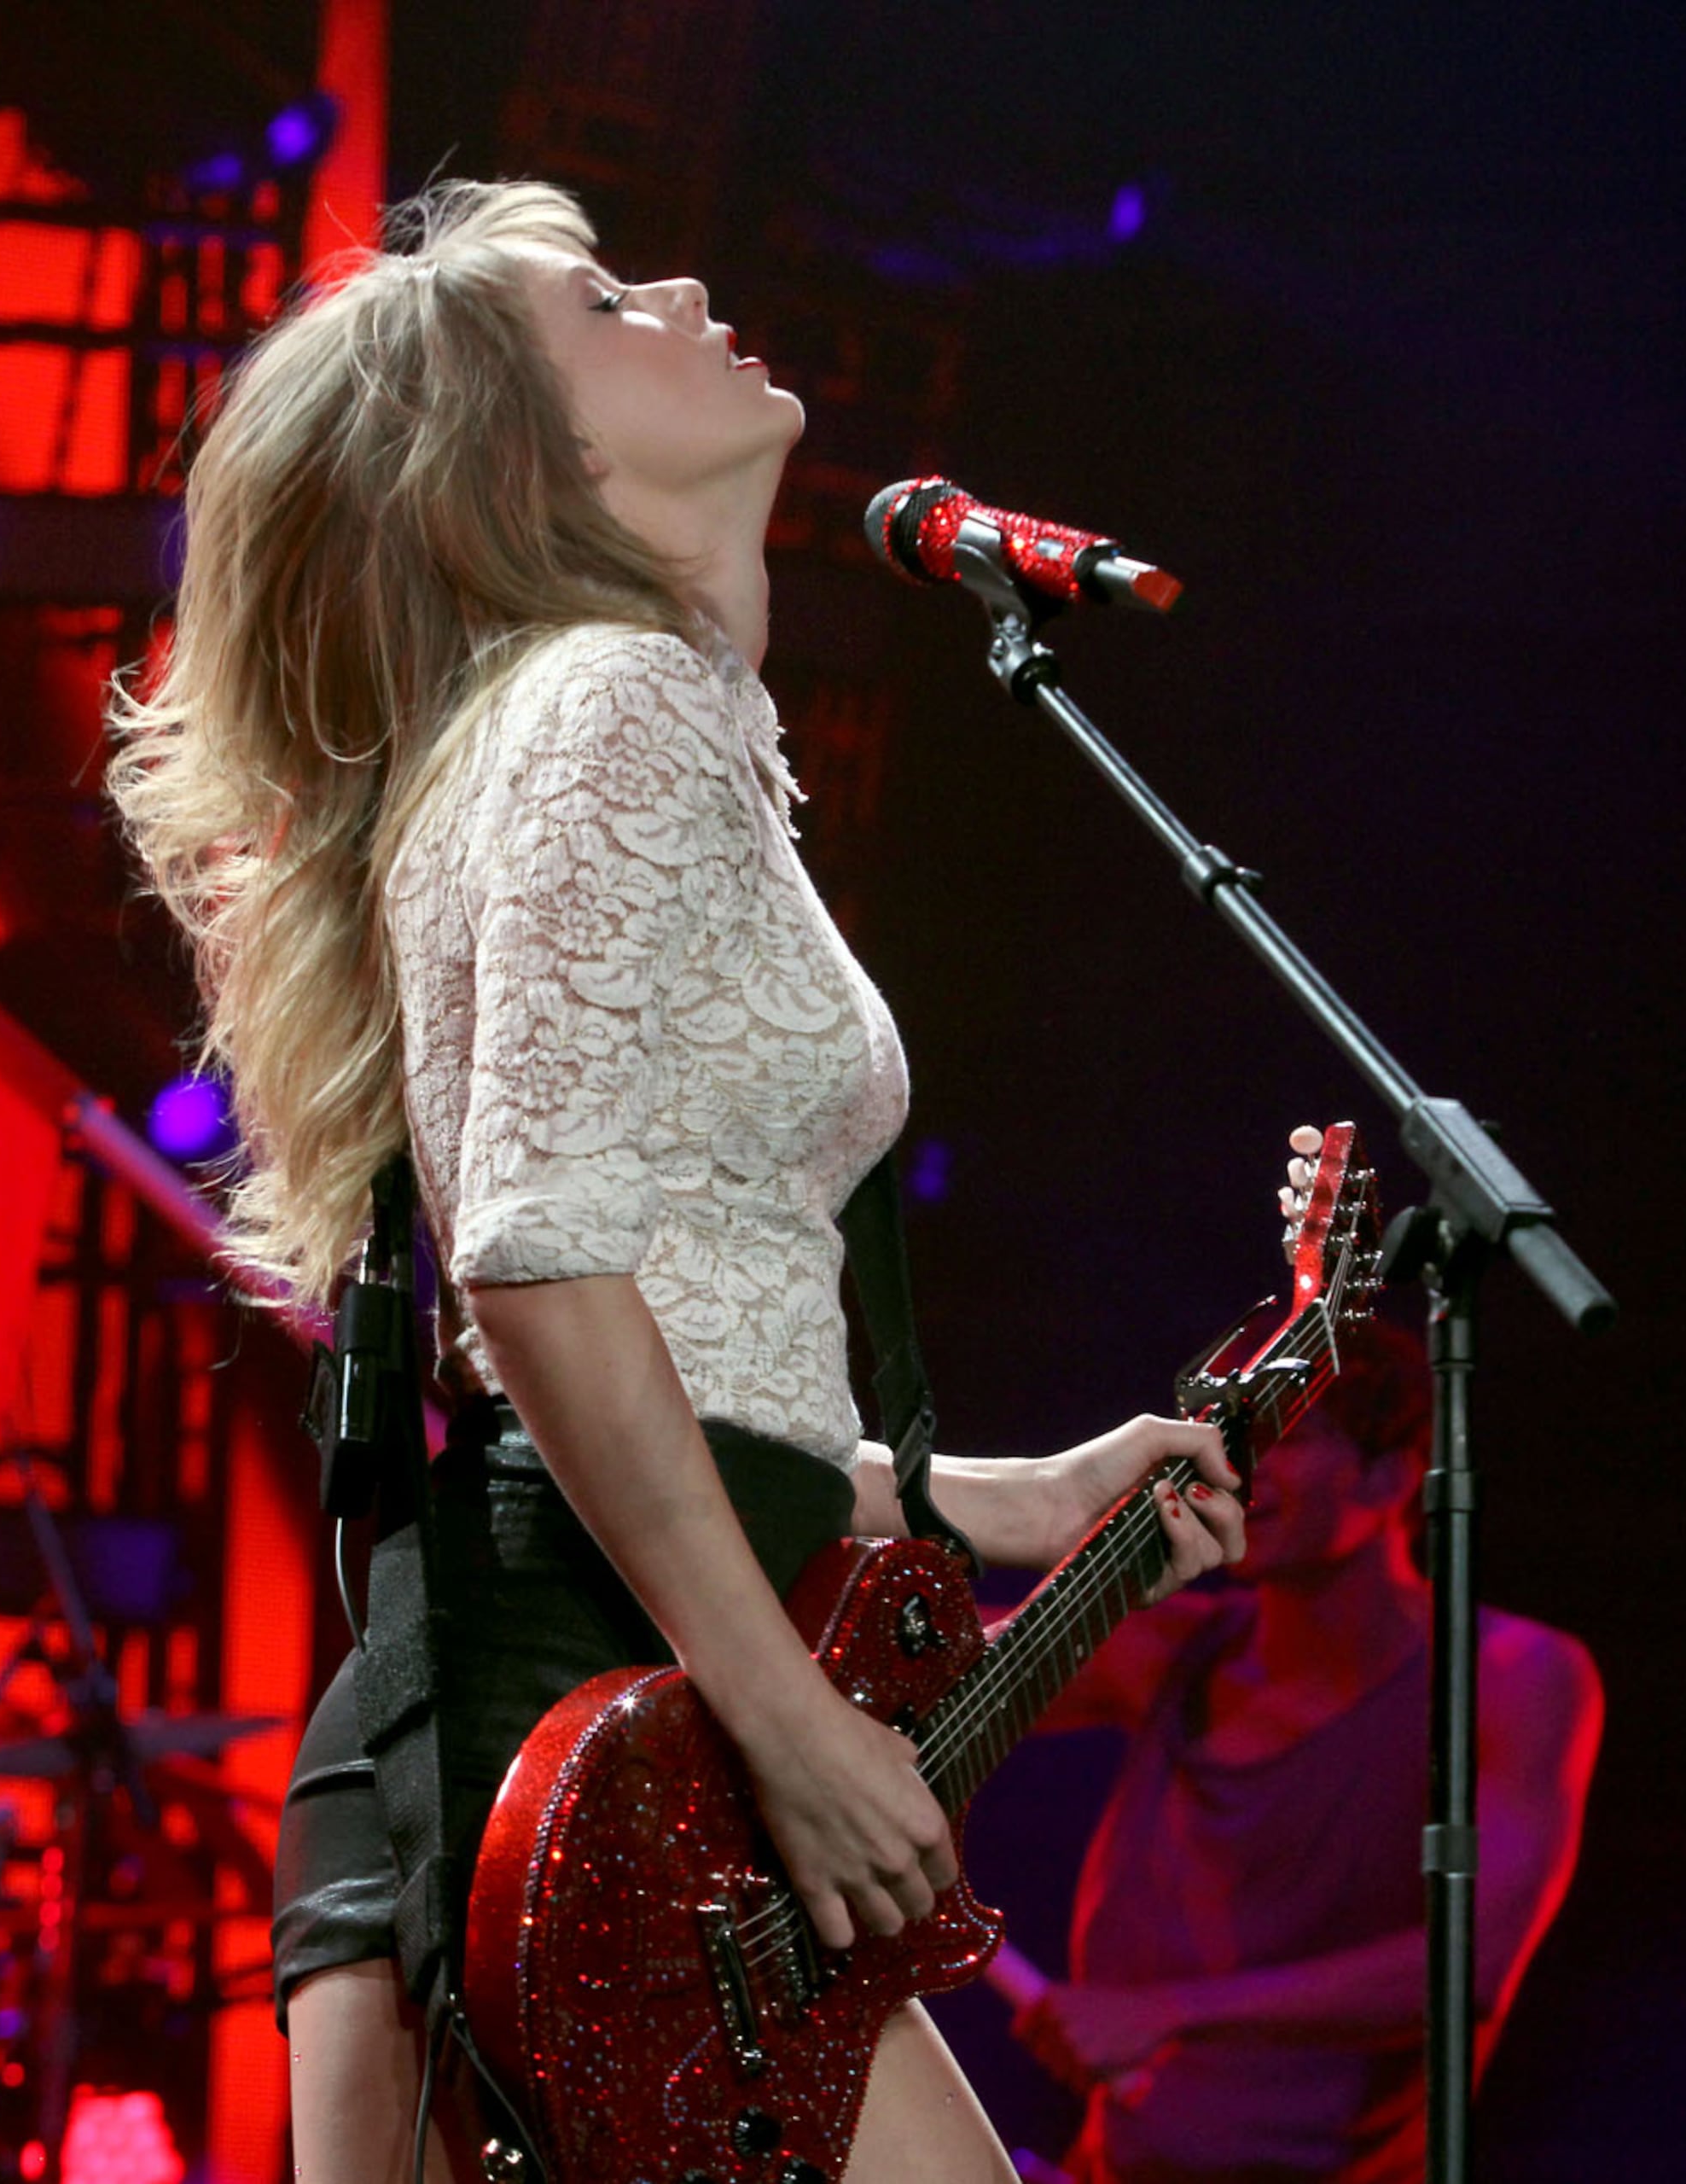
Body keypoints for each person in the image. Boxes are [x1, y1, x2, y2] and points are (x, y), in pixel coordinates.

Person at [107, 179, 1249, 2184]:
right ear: (528, 455)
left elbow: (674, 1351)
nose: (698, 285)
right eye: (614, 300)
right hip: (591, 1734)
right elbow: (540, 1269)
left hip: (533, 1712)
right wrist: (799, 1729)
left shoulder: (603, 719)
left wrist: (1004, 1499)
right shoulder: (600, 706)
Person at [1008, 1307, 1603, 2184]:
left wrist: (1170, 2011)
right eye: (1235, 1438)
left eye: (1287, 1436)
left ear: (1389, 1476)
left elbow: (1471, 1961)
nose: (1241, 1470)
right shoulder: (1171, 1651)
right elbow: (917, 1670)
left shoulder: (1514, 1674)